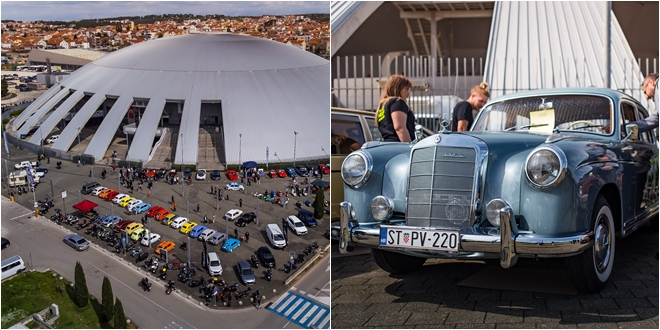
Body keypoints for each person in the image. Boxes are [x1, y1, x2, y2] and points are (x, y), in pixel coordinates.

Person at [376, 74, 416, 142]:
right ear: (398, 88)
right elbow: (399, 127)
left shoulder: (383, 105)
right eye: (406, 89)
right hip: (399, 146)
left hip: (389, 145)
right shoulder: (397, 102)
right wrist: (408, 146)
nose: (408, 93)